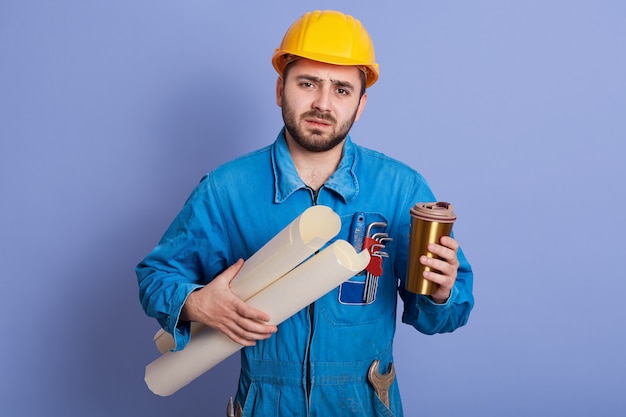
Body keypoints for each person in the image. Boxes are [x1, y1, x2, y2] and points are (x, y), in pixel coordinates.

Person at [137, 9, 474, 416]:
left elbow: (439, 317)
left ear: (361, 104)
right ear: (280, 88)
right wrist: (194, 304)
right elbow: (156, 276)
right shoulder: (227, 189)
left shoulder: (401, 189)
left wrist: (442, 292)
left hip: (364, 403)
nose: (322, 103)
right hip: (266, 402)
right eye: (308, 83)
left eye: (342, 89)